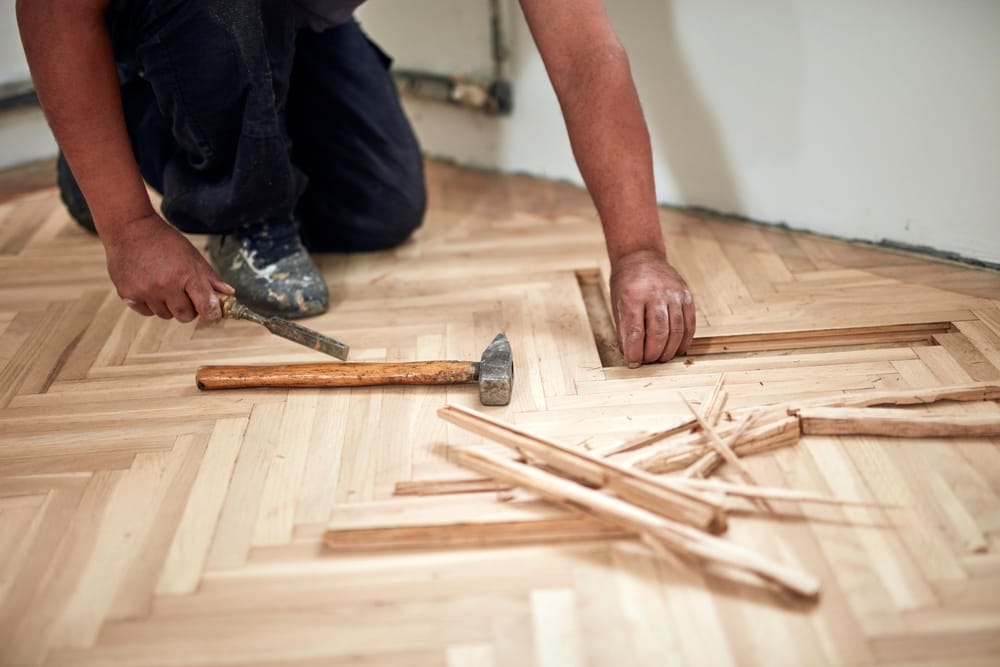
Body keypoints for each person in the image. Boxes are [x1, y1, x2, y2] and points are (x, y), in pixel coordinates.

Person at [16, 0, 696, 367]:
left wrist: (639, 252)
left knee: (382, 203)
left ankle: (149, 152)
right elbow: (52, 10)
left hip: (292, 28)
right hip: (177, 19)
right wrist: (128, 226)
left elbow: (584, 57)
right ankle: (207, 200)